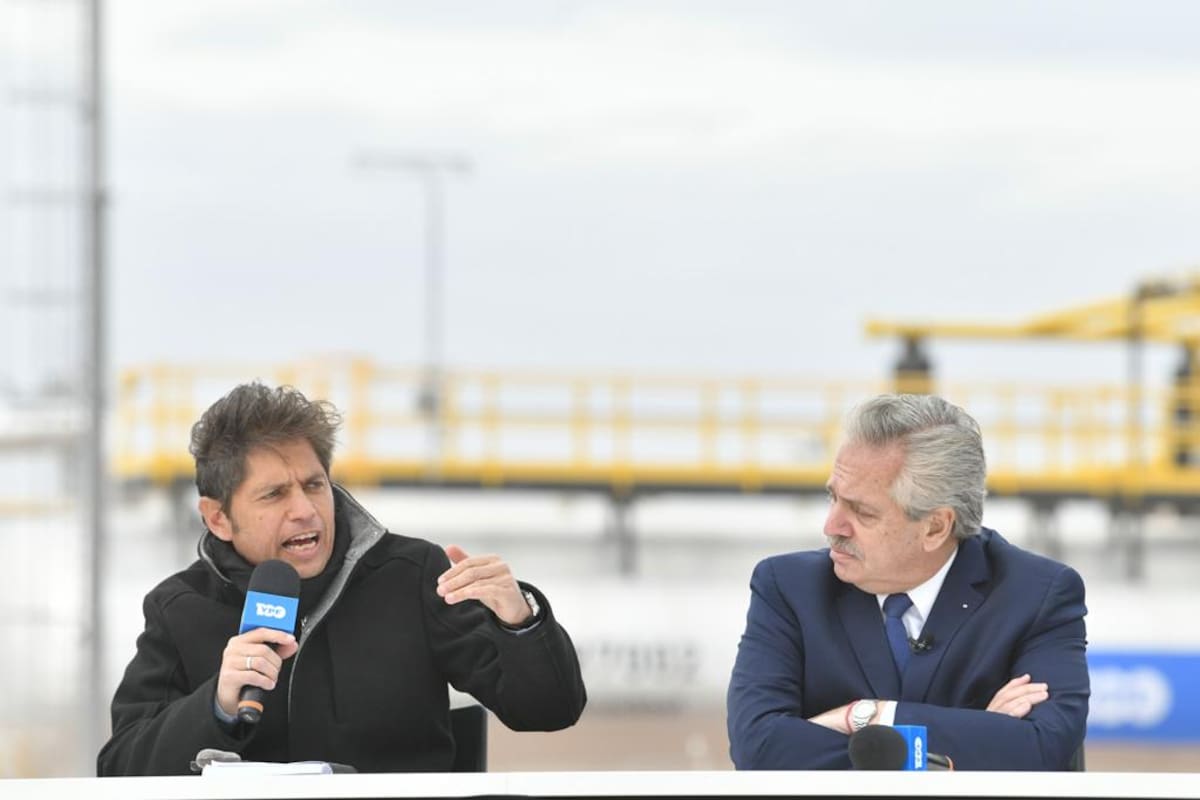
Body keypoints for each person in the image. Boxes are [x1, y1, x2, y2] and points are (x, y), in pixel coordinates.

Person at [98, 382, 586, 775]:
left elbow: (550, 710)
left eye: (314, 485)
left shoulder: (414, 576)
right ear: (218, 517)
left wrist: (520, 623)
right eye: (274, 495)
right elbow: (120, 767)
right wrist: (218, 705)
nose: (305, 510)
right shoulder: (177, 606)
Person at [726, 393, 1088, 771]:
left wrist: (864, 716)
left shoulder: (1039, 594)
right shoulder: (787, 588)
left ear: (935, 527)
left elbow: (1042, 750)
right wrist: (981, 732)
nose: (831, 526)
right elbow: (759, 747)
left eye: (862, 512)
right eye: (833, 497)